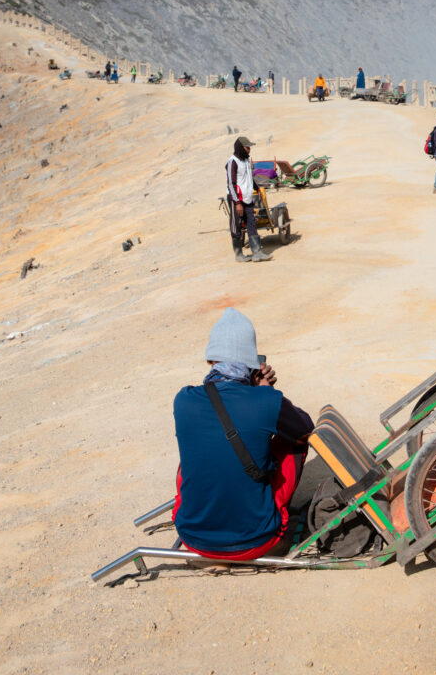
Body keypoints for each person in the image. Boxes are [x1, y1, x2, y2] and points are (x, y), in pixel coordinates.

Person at [172, 308, 313, 560]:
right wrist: (267, 391)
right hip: (256, 541)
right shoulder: (265, 400)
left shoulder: (183, 400)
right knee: (293, 442)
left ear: (210, 361)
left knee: (196, 449)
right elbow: (305, 430)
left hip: (192, 537)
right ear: (253, 365)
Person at [226, 135, 271, 262]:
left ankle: (257, 252)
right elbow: (231, 184)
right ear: (240, 148)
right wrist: (237, 203)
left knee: (251, 223)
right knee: (236, 225)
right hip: (237, 199)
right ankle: (239, 255)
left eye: (249, 148)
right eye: (247, 148)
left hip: (247, 198)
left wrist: (257, 189)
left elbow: (249, 178)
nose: (249, 150)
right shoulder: (232, 162)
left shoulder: (246, 161)